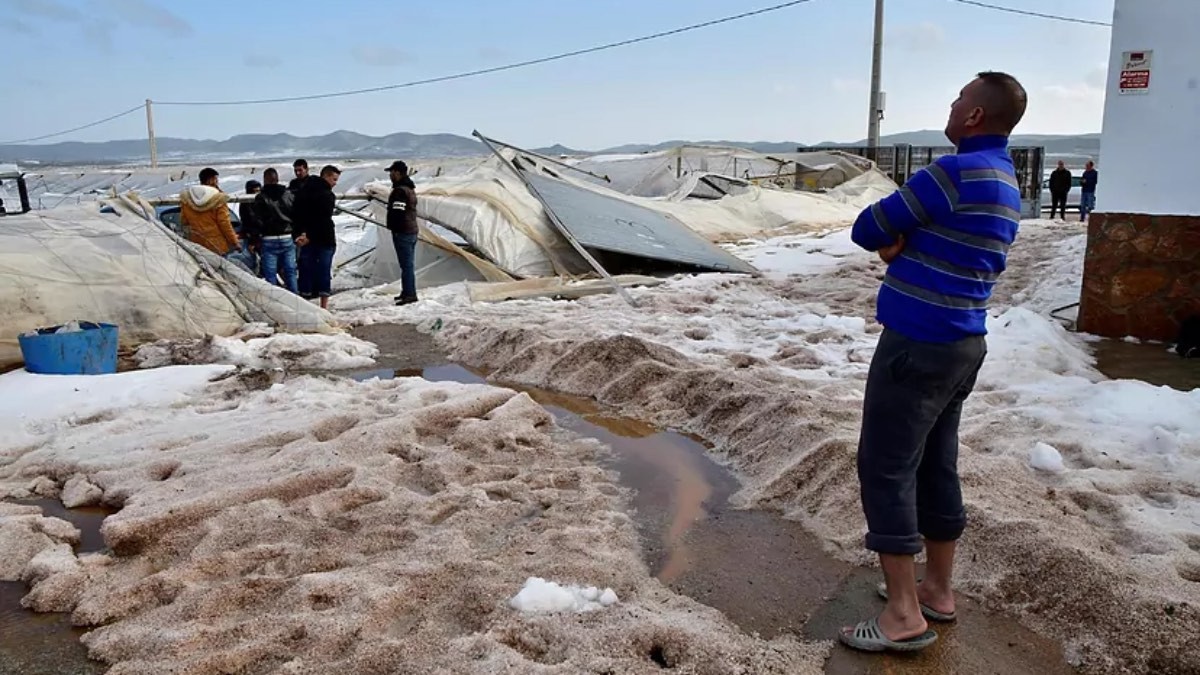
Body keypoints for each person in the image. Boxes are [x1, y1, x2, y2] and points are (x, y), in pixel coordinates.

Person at [841, 71, 1027, 654]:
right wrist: (908, 242)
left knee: (886, 466)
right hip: (963, 343)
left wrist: (896, 242)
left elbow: (867, 226)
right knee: (935, 466)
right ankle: (937, 590)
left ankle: (902, 616)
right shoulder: (1004, 178)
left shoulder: (951, 173)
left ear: (974, 116)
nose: (950, 106)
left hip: (916, 342)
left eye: (958, 99)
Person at [180, 168, 254, 271]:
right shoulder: (218, 199)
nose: (217, 182)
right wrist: (234, 242)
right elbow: (225, 224)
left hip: (197, 243)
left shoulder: (188, 199)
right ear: (211, 180)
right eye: (216, 179)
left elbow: (184, 220)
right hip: (217, 245)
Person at [292, 164, 340, 309]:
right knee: (324, 271)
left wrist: (299, 235)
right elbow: (324, 219)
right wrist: (310, 236)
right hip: (324, 238)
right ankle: (323, 306)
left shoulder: (302, 191)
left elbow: (297, 215)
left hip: (305, 237)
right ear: (326, 176)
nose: (335, 183)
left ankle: (305, 303)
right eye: (334, 179)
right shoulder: (327, 195)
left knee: (305, 270)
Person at [252, 168, 299, 294]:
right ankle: (295, 298)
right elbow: (295, 214)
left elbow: (256, 219)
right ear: (277, 179)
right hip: (287, 236)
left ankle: (274, 301)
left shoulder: (261, 197)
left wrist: (257, 235)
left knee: (270, 274)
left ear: (265, 180)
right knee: (290, 271)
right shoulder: (288, 194)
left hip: (268, 238)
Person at [386, 160, 420, 305]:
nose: (390, 176)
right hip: (411, 230)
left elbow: (398, 211)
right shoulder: (410, 188)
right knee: (408, 264)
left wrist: (394, 226)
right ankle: (406, 291)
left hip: (403, 231)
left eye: (392, 172)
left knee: (406, 265)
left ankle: (410, 294)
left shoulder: (400, 190)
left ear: (397, 173)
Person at [238, 179, 263, 274]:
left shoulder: (261, 201)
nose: (257, 193)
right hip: (254, 236)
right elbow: (247, 222)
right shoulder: (245, 204)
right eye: (255, 191)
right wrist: (252, 240)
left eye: (258, 191)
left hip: (262, 235)